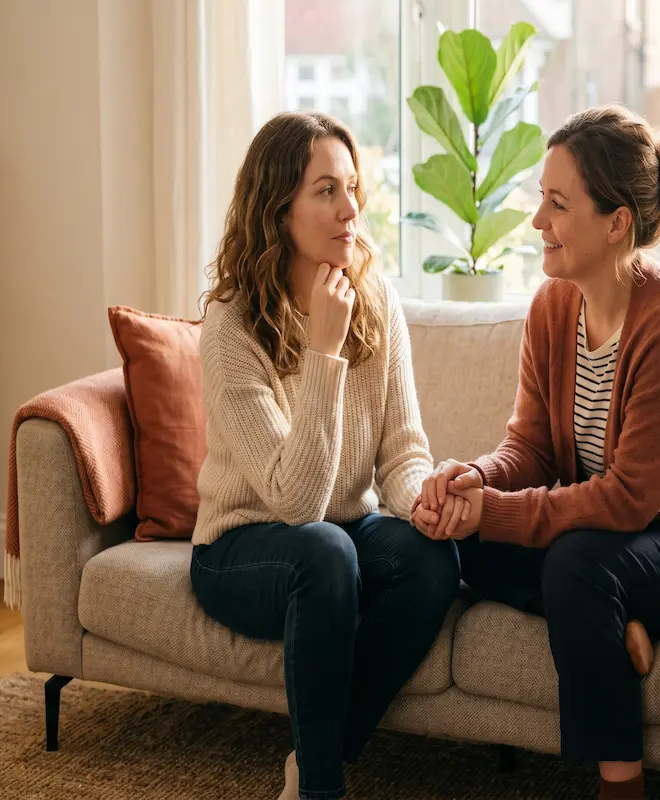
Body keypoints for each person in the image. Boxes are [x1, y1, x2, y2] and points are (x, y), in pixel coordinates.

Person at [411, 104, 660, 800]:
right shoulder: (554, 304)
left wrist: (494, 511)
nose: (536, 222)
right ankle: (615, 627)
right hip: (623, 542)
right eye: (539, 200)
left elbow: (628, 499)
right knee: (455, 541)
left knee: (578, 564)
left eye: (556, 203)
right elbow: (533, 448)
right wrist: (474, 483)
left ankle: (621, 785)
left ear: (616, 224)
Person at [191, 110, 462, 800]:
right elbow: (295, 502)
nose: (351, 210)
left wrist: (424, 498)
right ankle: (322, 791)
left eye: (352, 188)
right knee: (324, 550)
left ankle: (318, 759)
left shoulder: (373, 296)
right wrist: (322, 350)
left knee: (431, 559)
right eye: (326, 191)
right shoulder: (231, 326)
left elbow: (403, 451)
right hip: (241, 549)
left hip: (338, 536)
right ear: (278, 209)